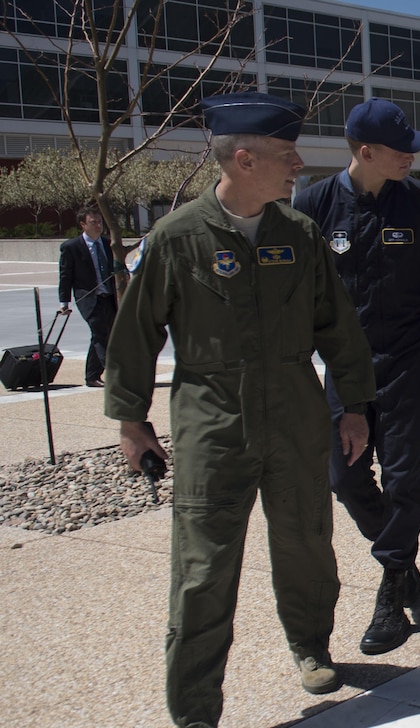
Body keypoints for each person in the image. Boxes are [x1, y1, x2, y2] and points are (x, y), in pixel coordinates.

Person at [103, 92, 377, 727]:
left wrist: (356, 406)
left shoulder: (300, 234)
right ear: (245, 159)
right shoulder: (177, 238)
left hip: (295, 414)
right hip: (212, 420)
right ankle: (196, 707)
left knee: (307, 543)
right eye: (287, 155)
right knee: (202, 568)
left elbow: (339, 328)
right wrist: (131, 420)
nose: (299, 165)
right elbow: (136, 333)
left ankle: (311, 647)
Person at [293, 98, 420, 655]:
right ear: (365, 152)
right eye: (400, 152)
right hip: (345, 368)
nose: (412, 161)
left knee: (402, 479)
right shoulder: (314, 204)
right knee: (344, 478)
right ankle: (400, 555)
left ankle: (392, 586)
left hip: (409, 361)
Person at [58, 204, 117, 387]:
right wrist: (64, 302)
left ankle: (92, 376)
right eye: (93, 222)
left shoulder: (109, 244)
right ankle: (115, 373)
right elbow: (65, 275)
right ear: (83, 224)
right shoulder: (71, 247)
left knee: (104, 335)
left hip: (109, 296)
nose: (98, 226)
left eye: (100, 222)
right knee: (100, 332)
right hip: (88, 298)